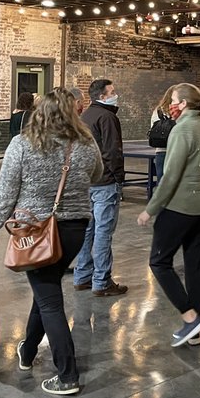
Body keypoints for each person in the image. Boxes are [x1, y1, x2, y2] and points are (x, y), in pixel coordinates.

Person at [0, 88, 103, 395]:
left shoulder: (23, 145)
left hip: (34, 232)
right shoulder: (86, 144)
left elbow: (5, 193)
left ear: (40, 113)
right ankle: (28, 350)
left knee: (49, 299)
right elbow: (97, 176)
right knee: (45, 289)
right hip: (74, 231)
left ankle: (67, 375)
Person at [137, 83, 200, 347]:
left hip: (182, 206)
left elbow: (170, 176)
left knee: (159, 262)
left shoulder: (182, 129)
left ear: (182, 103)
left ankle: (190, 316)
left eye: (173, 100)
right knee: (195, 264)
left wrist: (151, 209)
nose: (169, 104)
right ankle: (193, 330)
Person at [73, 78, 129, 296]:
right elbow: (112, 152)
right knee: (104, 231)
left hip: (87, 182)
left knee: (88, 231)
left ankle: (82, 276)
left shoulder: (85, 116)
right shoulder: (107, 117)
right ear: (103, 96)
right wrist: (118, 177)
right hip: (105, 182)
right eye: (112, 91)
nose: (115, 94)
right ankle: (102, 281)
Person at [150, 86, 176, 182]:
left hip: (161, 150)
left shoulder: (158, 111)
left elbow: (153, 127)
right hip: (177, 150)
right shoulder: (179, 111)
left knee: (162, 182)